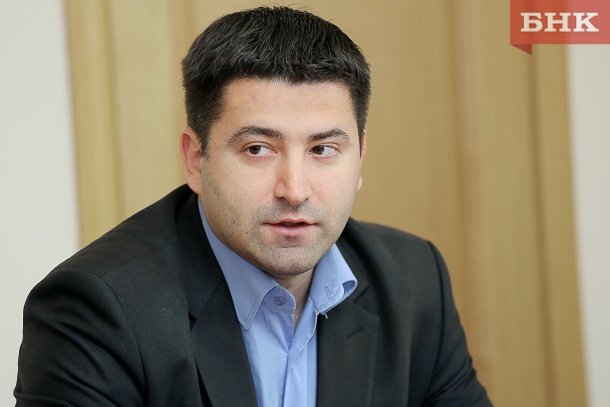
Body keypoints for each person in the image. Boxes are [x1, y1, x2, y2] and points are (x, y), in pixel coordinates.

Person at [15, 6, 492, 407]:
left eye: (323, 149)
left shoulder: (414, 279)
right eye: (258, 149)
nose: (295, 190)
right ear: (196, 158)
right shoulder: (96, 309)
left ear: (360, 157)